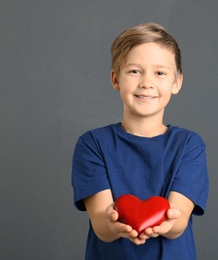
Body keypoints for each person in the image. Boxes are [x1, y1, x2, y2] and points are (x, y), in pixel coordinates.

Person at [72, 22, 209, 259]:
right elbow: (101, 224)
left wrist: (167, 224)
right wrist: (114, 224)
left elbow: (179, 221)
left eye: (160, 73)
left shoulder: (189, 145)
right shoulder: (92, 144)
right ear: (116, 79)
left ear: (176, 82)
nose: (147, 82)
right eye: (135, 71)